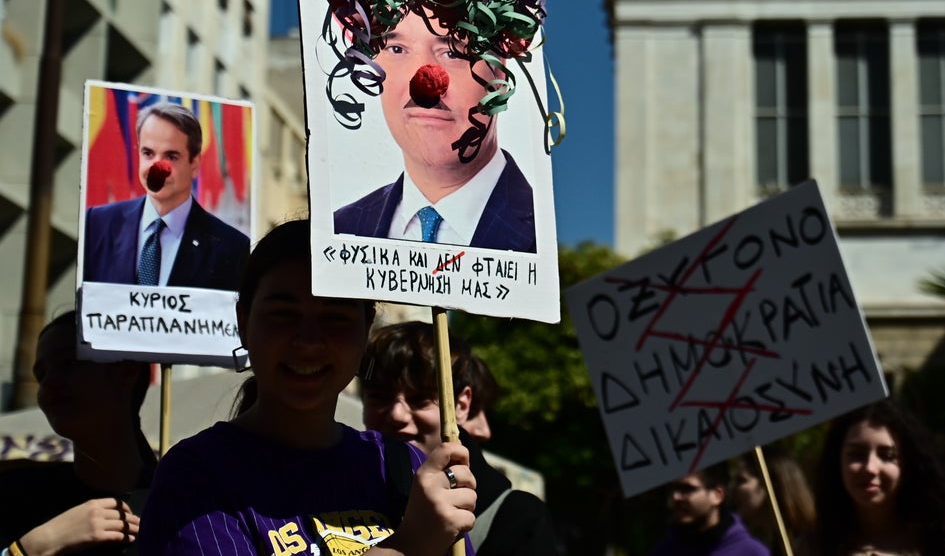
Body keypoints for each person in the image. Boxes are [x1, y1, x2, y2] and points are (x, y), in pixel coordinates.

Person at [136, 219, 477, 555]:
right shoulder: (196, 477)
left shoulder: (403, 466)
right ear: (243, 322)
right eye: (283, 315)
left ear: (366, 327)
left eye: (335, 317)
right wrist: (408, 547)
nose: (309, 341)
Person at [316, 0, 545, 254]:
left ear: (501, 68)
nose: (423, 85)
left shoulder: (541, 238)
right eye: (395, 48)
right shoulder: (343, 229)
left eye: (453, 51)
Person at [361, 321, 557, 556]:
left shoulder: (516, 519)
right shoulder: (337, 492)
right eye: (379, 397)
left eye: (420, 399)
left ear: (462, 405)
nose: (396, 414)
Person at [0, 311, 155, 556]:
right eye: (41, 375)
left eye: (68, 364)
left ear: (127, 372)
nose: (49, 383)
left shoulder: (185, 500)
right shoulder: (13, 495)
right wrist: (34, 546)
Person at [82, 102, 248, 290]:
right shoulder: (96, 224)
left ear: (195, 164)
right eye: (148, 153)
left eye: (171, 156)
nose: (157, 168)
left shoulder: (232, 248)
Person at [814, 400, 945, 556]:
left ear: (908, 463)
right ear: (837, 460)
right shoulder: (814, 547)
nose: (870, 468)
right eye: (857, 455)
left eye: (887, 456)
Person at [651, 464, 770, 556]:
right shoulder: (663, 552)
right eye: (673, 489)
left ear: (717, 495)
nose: (676, 497)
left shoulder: (750, 552)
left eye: (687, 489)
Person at [730, 449, 815, 556]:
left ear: (771, 483)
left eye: (741, 480)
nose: (732, 489)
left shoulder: (813, 543)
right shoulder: (774, 544)